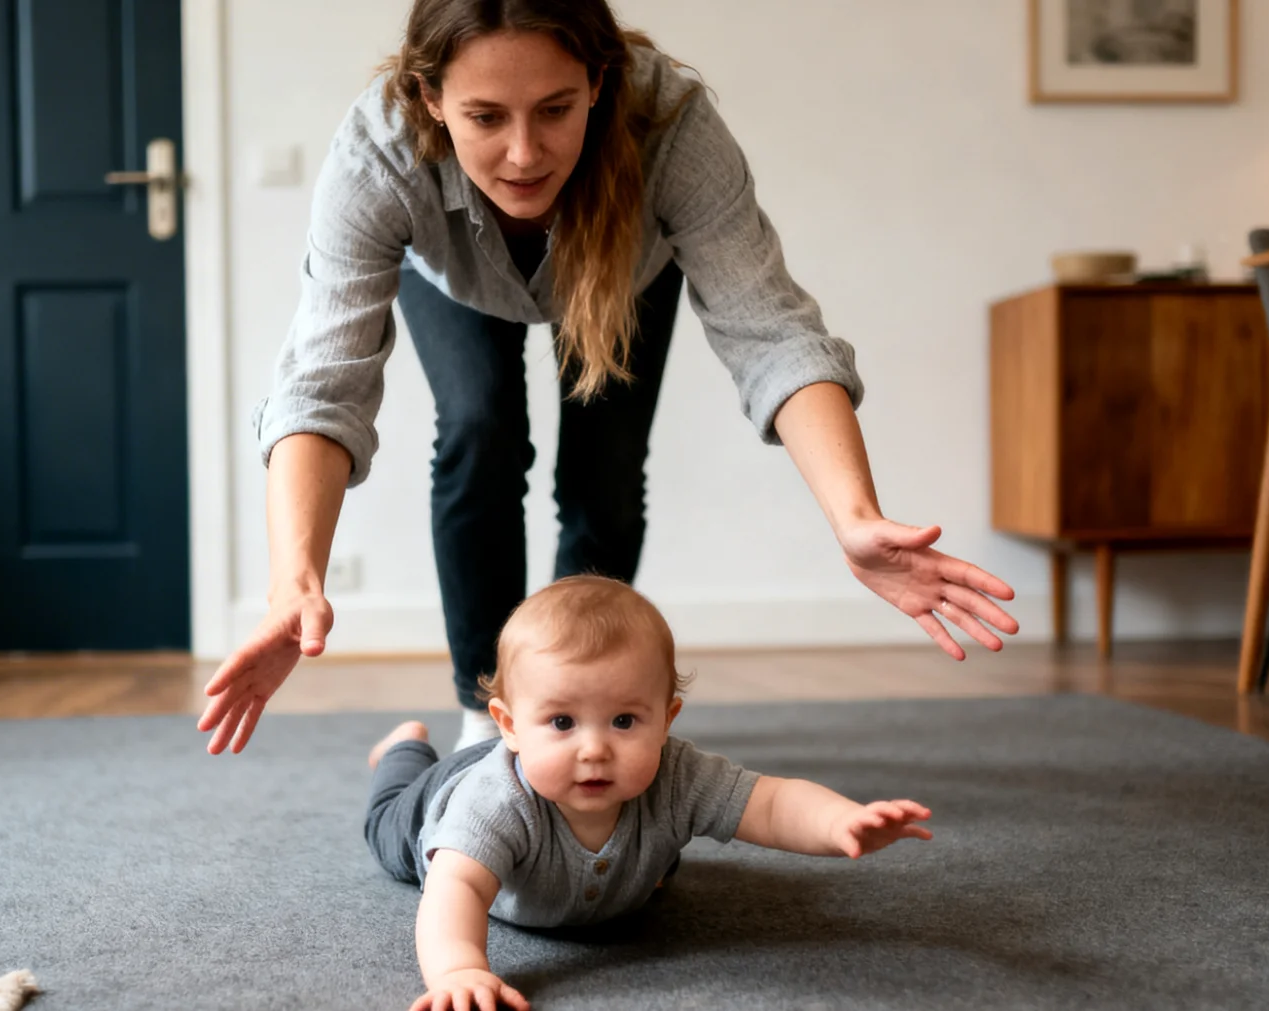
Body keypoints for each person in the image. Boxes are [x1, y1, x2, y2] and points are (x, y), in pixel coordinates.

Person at [198, 0, 1019, 757]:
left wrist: (853, 515)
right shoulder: (378, 152)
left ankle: (578, 704)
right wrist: (293, 580)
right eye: (486, 116)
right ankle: (486, 711)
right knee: (482, 431)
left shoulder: (671, 126)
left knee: (606, 473)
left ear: (598, 81)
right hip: (452, 276)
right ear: (431, 97)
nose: (523, 153)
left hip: (626, 270)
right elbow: (323, 379)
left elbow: (772, 332)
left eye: (555, 109)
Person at [363, 575, 934, 1011]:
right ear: (509, 725)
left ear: (666, 718)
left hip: (596, 843)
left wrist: (840, 823)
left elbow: (770, 803)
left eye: (624, 721)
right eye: (562, 722)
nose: (594, 750)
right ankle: (403, 748)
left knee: (668, 837)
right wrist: (458, 969)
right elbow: (455, 886)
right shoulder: (491, 803)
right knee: (386, 821)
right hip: (433, 803)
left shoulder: (676, 775)